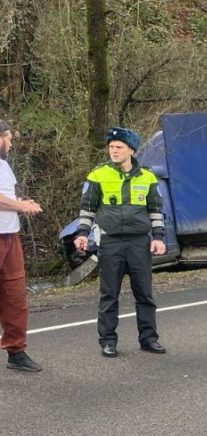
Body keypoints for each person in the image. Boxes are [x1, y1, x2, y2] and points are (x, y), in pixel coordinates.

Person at [73, 127, 167, 358]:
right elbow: (87, 208)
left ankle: (149, 339)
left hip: (139, 243)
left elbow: (155, 210)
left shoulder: (147, 176)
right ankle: (108, 341)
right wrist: (82, 233)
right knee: (109, 295)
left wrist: (158, 237)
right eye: (111, 147)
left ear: (131, 150)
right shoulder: (98, 174)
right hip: (111, 242)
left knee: (144, 294)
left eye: (119, 147)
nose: (113, 151)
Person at [0, 120, 43, 372]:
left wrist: (22, 203)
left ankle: (16, 352)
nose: (11, 143)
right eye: (8, 137)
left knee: (15, 296)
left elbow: (6, 198)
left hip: (10, 235)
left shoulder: (4, 165)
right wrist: (20, 206)